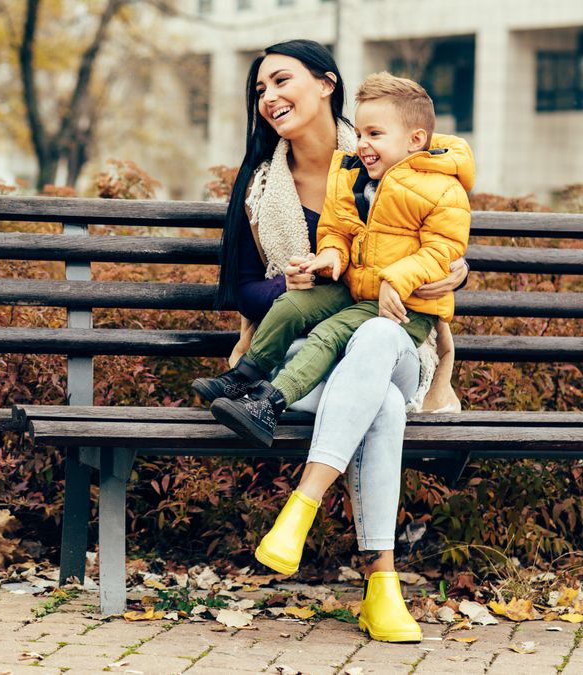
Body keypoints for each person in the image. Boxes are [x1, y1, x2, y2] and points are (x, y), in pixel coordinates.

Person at [206, 40, 468, 643]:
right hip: (307, 357)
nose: (269, 98)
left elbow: (442, 235)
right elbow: (242, 290)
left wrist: (455, 271)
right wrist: (288, 283)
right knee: (371, 396)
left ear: (327, 84)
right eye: (260, 90)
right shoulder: (260, 183)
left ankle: (301, 508)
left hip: (403, 346)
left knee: (376, 338)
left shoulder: (389, 151)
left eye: (281, 81)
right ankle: (382, 587)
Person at [196, 72, 472, 449]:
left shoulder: (441, 188)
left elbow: (442, 249)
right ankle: (245, 374)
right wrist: (330, 254)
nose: (362, 144)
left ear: (415, 139)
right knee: (292, 303)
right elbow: (336, 228)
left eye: (374, 135)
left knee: (332, 335)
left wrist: (403, 277)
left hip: (401, 308)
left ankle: (269, 404)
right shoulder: (351, 174)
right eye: (360, 134)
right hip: (355, 288)